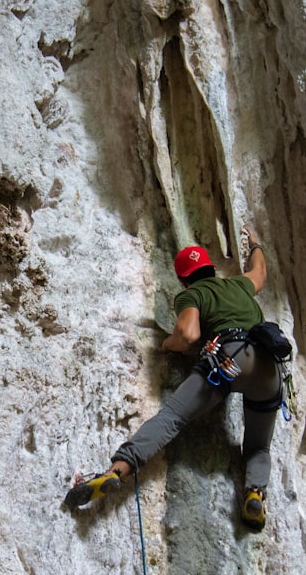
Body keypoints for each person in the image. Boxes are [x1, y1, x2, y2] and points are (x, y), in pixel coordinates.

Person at [64, 225, 285, 530]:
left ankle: (117, 471)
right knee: (259, 446)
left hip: (229, 360)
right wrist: (256, 244)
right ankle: (255, 493)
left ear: (183, 279)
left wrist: (168, 345)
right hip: (268, 367)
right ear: (209, 267)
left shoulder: (192, 294)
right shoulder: (239, 285)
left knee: (172, 417)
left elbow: (188, 333)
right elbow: (259, 272)